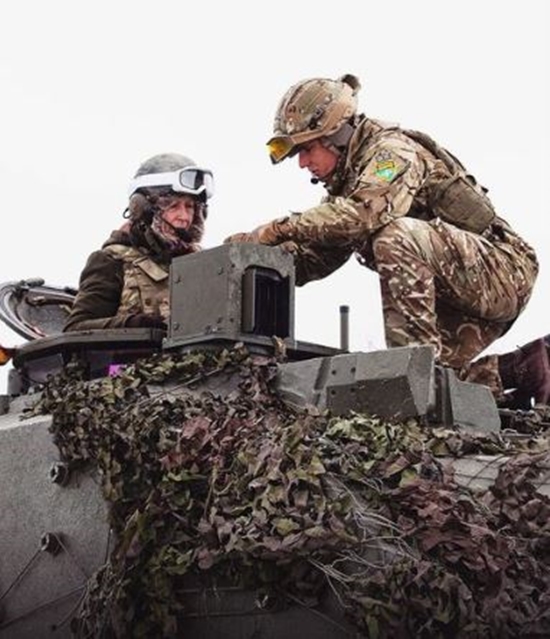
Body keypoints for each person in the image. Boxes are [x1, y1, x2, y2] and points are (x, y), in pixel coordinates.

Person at [225, 74, 549, 408]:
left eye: (307, 149)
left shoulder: (391, 153)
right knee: (442, 383)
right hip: (461, 286)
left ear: (338, 135)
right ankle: (522, 369)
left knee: (397, 241)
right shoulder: (348, 191)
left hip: (503, 271)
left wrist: (277, 229)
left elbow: (362, 216)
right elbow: (316, 258)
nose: (304, 163)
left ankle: (416, 386)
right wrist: (250, 259)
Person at [64, 153, 214, 332]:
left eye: (190, 207)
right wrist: (133, 325)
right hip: (130, 359)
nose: (184, 217)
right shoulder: (111, 261)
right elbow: (76, 329)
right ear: (145, 209)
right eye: (173, 206)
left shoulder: (203, 265)